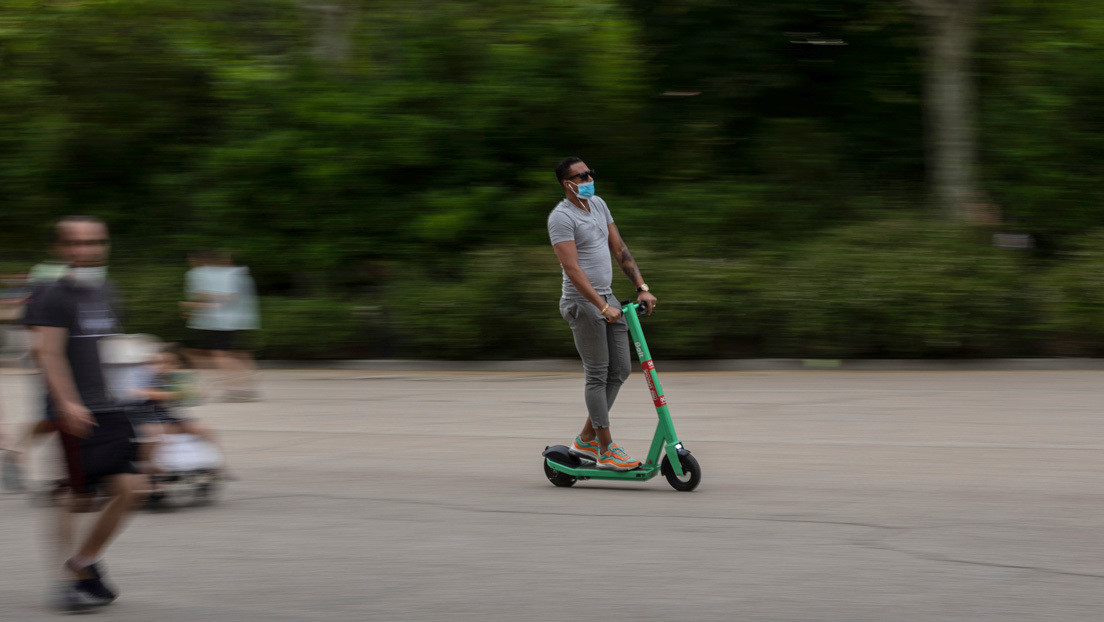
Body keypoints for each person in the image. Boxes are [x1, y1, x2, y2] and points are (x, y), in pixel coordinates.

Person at [27, 215, 146, 612]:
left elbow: (110, 347)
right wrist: (67, 402)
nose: (84, 251)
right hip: (78, 410)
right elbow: (49, 352)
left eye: (93, 242)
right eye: (75, 244)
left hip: (113, 406)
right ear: (60, 249)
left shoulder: (108, 290)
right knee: (77, 499)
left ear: (105, 245)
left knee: (132, 490)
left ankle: (83, 562)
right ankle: (68, 580)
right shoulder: (51, 293)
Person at [548, 157, 658, 471]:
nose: (587, 179)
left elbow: (618, 246)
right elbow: (572, 268)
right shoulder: (561, 218)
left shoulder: (598, 204)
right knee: (597, 375)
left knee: (620, 370)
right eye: (580, 176)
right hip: (582, 303)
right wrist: (600, 306)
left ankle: (585, 439)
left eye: (589, 173)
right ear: (566, 183)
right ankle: (605, 448)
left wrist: (641, 286)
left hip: (607, 298)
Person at [181, 249, 261, 401]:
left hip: (219, 322)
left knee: (217, 355)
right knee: (220, 354)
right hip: (226, 321)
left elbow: (227, 298)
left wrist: (197, 306)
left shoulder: (204, 273)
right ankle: (242, 385)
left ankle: (242, 386)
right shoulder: (238, 273)